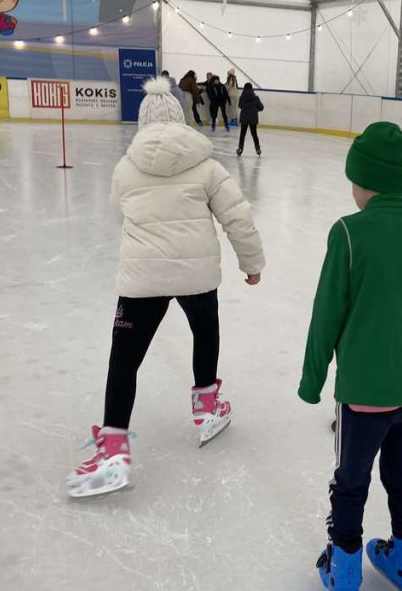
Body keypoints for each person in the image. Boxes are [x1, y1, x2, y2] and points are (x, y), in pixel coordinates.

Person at [66, 78, 266, 498]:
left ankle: (114, 451)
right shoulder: (208, 165)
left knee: (124, 360)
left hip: (143, 278)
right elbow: (237, 217)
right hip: (197, 276)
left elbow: (117, 213)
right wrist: (252, 265)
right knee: (205, 332)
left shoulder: (125, 167)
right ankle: (207, 409)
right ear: (180, 119)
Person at [299, 122, 402, 591]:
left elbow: (327, 314)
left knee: (351, 480)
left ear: (363, 181)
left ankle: (343, 568)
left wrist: (312, 378)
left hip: (363, 393)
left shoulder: (347, 231)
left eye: (355, 179)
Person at [236, 83, 263, 157]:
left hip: (244, 118)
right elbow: (261, 107)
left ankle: (240, 148)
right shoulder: (256, 98)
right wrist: (255, 109)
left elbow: (239, 106)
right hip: (253, 118)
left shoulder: (242, 97)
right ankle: (257, 148)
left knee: (242, 134)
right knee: (254, 134)